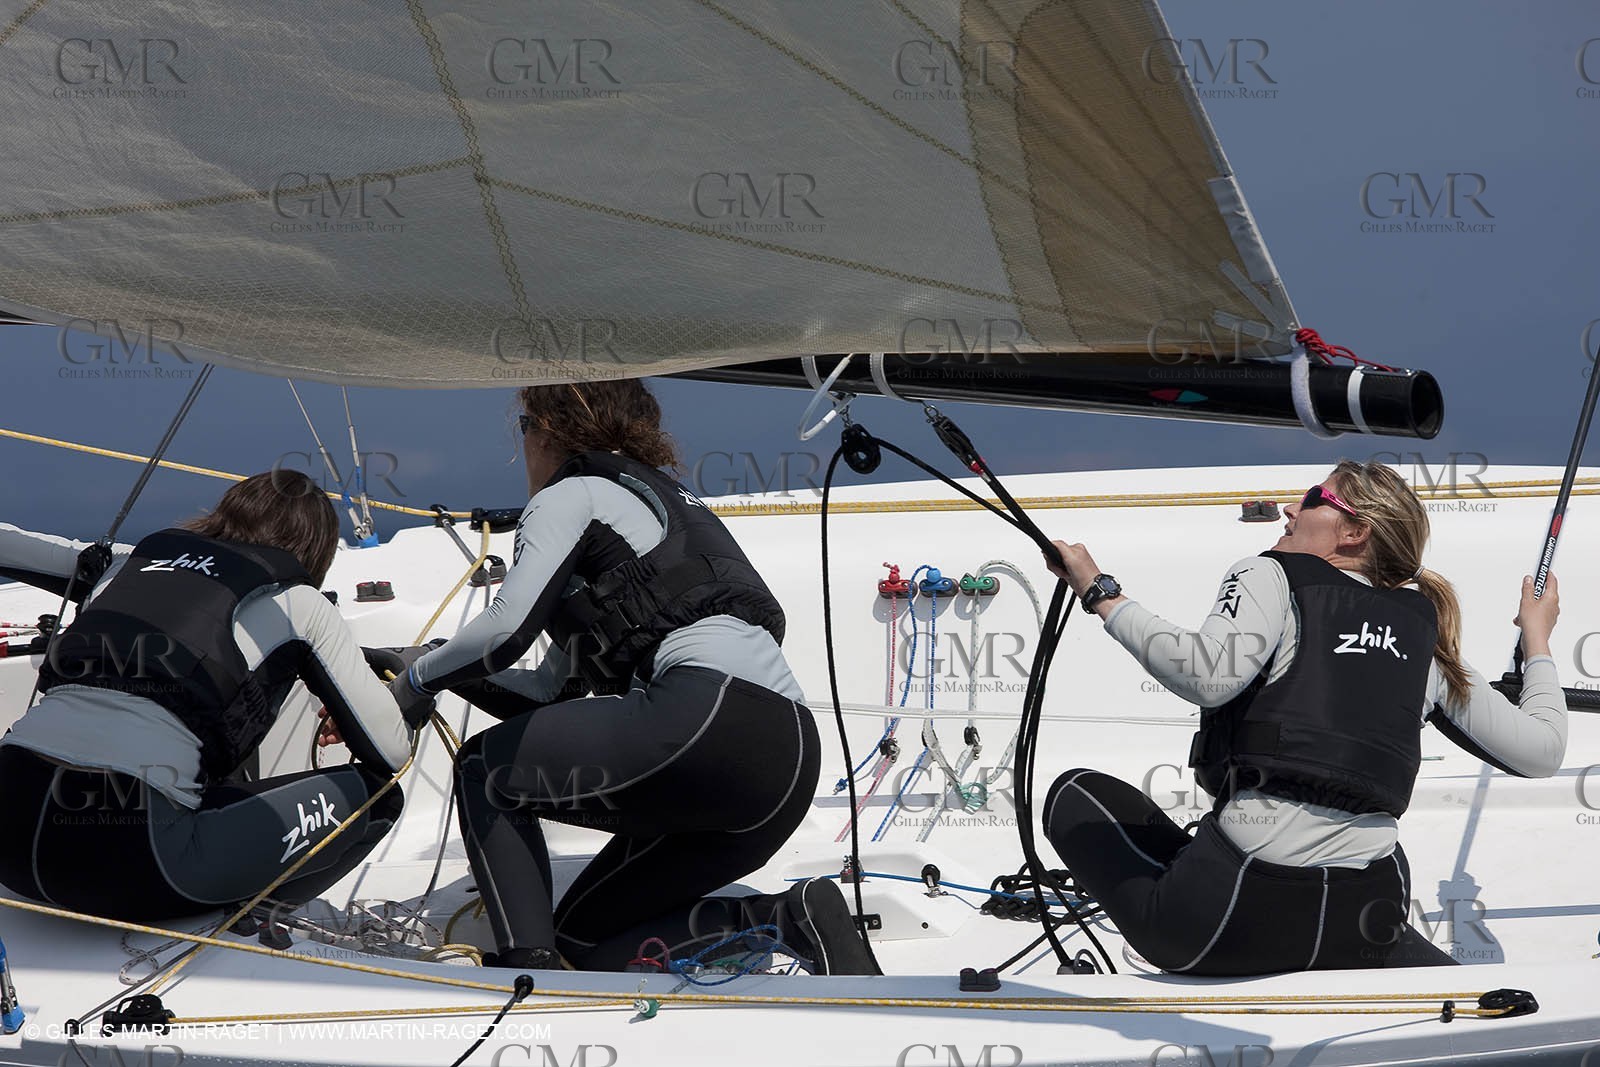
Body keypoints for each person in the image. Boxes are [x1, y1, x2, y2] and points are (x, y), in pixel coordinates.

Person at [381, 379, 873, 974]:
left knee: (485, 771)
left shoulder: (572, 494)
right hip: (784, 760)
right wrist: (428, 661)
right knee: (585, 942)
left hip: (701, 718)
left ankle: (526, 973)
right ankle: (788, 919)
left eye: (524, 428)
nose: (523, 446)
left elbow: (505, 631)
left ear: (548, 432)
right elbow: (548, 695)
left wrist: (414, 683)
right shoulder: (652, 514)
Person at [1040, 459, 1566, 975]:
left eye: (1313, 498)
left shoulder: (1268, 572)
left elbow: (1206, 673)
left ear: (1355, 532)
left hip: (1230, 921)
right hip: (1364, 924)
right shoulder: (1423, 640)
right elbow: (1542, 752)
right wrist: (1537, 638)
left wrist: (1098, 590)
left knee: (1074, 794)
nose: (1291, 509)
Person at [0, 471, 424, 922]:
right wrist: (409, 693)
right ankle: (250, 928)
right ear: (317, 550)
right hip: (134, 867)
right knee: (379, 798)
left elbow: (11, 545)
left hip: (8, 833)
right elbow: (390, 752)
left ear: (226, 512)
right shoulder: (300, 603)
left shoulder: (127, 563)